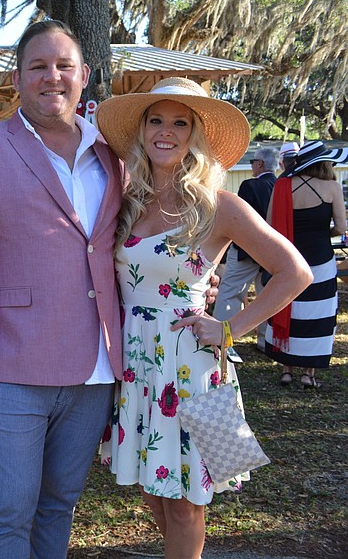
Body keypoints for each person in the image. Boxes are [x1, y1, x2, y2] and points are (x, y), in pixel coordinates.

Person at [94, 77, 311, 559]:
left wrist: (231, 327)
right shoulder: (128, 200)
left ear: (195, 135)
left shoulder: (218, 206)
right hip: (134, 366)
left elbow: (294, 272)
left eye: (180, 122)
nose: (165, 132)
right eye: (156, 120)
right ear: (142, 131)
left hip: (189, 366)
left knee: (187, 500)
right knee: (152, 486)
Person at [0, 21, 127, 557]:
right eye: (38, 66)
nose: (53, 77)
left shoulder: (114, 155)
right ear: (18, 78)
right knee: (7, 515)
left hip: (95, 367)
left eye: (64, 65)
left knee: (58, 506)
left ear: (85, 76)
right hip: (12, 367)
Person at [264, 140, 348, 389]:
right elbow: (342, 228)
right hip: (321, 260)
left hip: (289, 260)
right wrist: (323, 230)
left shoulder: (282, 186)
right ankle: (308, 373)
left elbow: (270, 226)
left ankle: (286, 370)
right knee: (317, 314)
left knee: (289, 307)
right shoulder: (332, 187)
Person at [214, 147, 278, 356]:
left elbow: (238, 223)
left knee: (230, 292)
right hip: (272, 251)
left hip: (246, 250)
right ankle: (264, 339)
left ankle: (220, 339)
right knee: (266, 294)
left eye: (253, 162)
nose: (251, 165)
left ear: (260, 164)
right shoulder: (280, 184)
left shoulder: (250, 185)